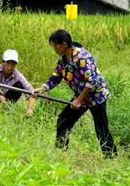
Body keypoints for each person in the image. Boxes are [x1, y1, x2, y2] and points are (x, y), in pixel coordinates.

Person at [34, 29, 117, 157]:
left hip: (96, 95)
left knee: (101, 128)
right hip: (81, 95)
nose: (53, 48)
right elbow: (56, 76)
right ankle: (61, 152)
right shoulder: (63, 60)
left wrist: (78, 100)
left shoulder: (81, 57)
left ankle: (111, 157)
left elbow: (92, 81)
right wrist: (43, 88)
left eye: (55, 45)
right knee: (63, 121)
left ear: (63, 44)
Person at [0, 49, 36, 115]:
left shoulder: (18, 75)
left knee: (19, 86)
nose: (10, 67)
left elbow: (32, 92)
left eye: (13, 64)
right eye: (8, 62)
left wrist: (30, 109)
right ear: (3, 62)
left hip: (5, 99)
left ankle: (6, 109)